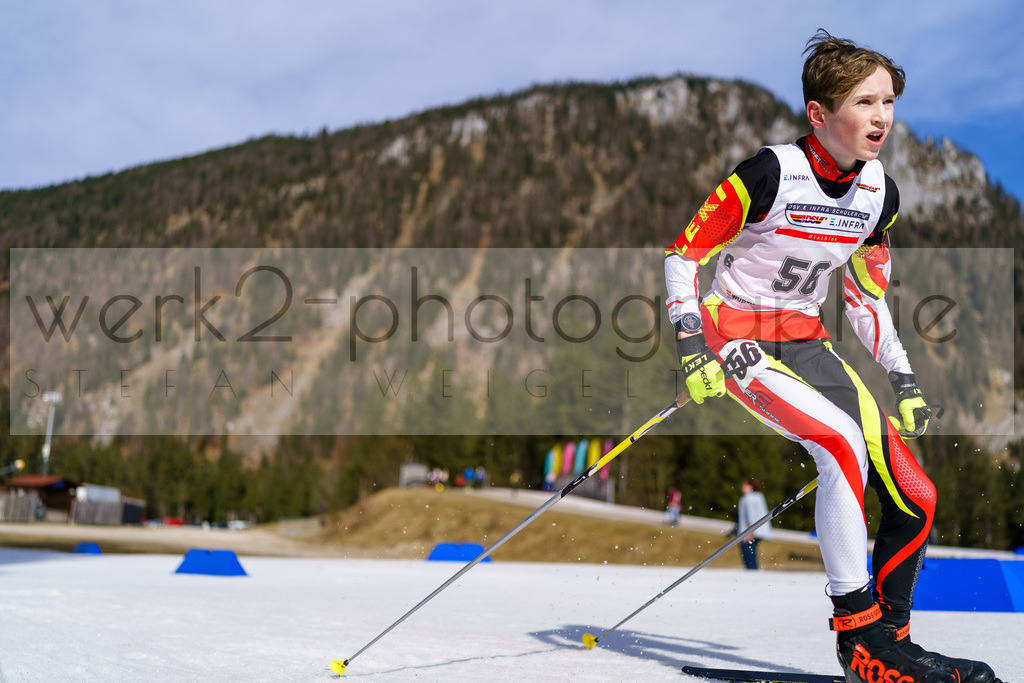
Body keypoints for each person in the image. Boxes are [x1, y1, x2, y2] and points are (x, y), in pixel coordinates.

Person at [664, 29, 1001, 683]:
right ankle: (859, 636)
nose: (882, 117)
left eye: (888, 102)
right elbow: (684, 256)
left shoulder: (881, 196)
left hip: (807, 342)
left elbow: (867, 298)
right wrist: (691, 348)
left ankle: (891, 644)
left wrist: (901, 373)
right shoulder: (770, 173)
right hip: (738, 337)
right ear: (819, 114)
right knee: (842, 444)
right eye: (865, 102)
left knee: (917, 495)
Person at [736, 477, 770, 569]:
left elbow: (751, 515)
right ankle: (753, 573)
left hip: (750, 532)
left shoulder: (748, 498)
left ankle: (752, 575)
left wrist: (750, 531)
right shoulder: (759, 496)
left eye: (745, 485)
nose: (742, 487)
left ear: (751, 486)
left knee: (748, 556)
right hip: (759, 530)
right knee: (752, 554)